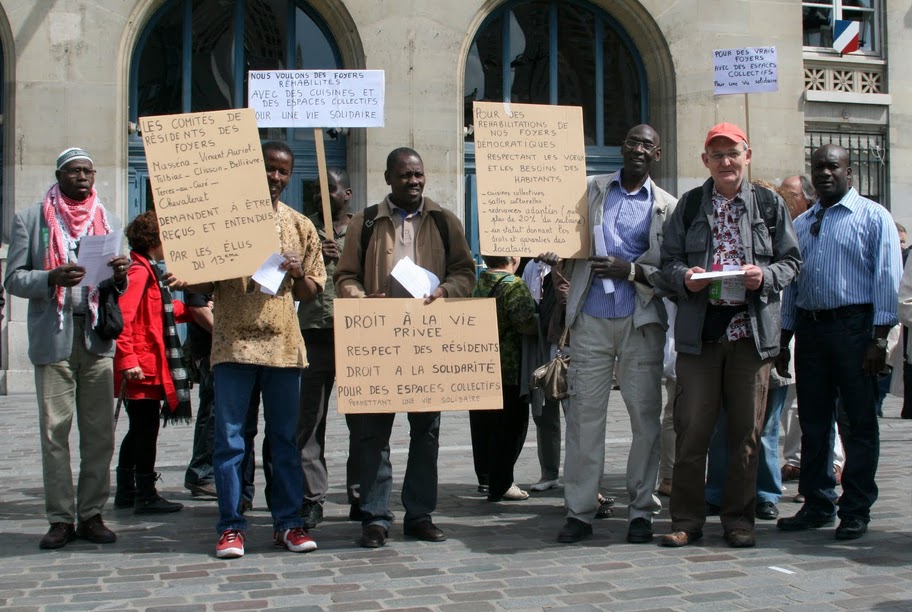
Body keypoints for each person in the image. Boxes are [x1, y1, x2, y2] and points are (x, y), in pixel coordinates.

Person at [167, 141, 326, 558]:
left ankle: (288, 523)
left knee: (284, 441)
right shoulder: (223, 222)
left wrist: (295, 272)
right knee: (231, 442)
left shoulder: (300, 225)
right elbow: (201, 285)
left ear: (290, 176)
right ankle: (231, 526)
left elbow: (312, 292)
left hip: (282, 347)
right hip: (233, 344)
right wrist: (189, 276)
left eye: (283, 171)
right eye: (269, 169)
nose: (275, 178)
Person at [659, 123, 800, 548]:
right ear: (705, 161)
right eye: (717, 155)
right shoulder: (688, 206)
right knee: (692, 432)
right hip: (700, 338)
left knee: (745, 435)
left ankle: (740, 520)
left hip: (750, 335)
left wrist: (766, 275)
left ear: (747, 155)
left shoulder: (769, 205)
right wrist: (687, 277)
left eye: (732, 153)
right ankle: (686, 519)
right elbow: (665, 265)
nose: (725, 162)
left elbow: (792, 261)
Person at [334, 147, 476, 548]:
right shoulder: (364, 222)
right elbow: (344, 278)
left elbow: (465, 273)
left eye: (418, 174)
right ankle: (375, 518)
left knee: (425, 432)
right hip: (379, 343)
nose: (413, 181)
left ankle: (419, 515)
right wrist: (363, 301)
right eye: (404, 176)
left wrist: (446, 290)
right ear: (388, 179)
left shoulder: (445, 221)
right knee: (372, 435)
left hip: (428, 343)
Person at [549, 124, 677, 545]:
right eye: (631, 141)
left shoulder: (667, 208)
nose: (638, 149)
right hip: (589, 319)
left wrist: (633, 270)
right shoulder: (587, 190)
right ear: (621, 147)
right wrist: (549, 247)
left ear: (657, 153)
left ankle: (640, 511)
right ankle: (580, 512)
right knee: (585, 419)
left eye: (646, 144)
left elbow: (672, 274)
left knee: (645, 419)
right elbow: (560, 232)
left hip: (640, 323)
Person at [4, 147, 130, 549]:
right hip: (54, 336)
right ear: (59, 174)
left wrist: (120, 275)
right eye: (75, 171)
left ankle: (91, 513)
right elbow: (15, 279)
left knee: (99, 435)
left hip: (94, 337)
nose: (83, 178)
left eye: (89, 172)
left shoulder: (107, 219)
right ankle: (60, 518)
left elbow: (115, 283)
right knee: (55, 432)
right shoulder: (31, 219)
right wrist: (51, 277)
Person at [776, 144, 901, 541]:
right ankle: (816, 502)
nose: (825, 173)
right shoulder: (805, 221)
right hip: (812, 332)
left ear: (850, 172)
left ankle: (856, 507)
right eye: (819, 167)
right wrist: (784, 337)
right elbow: (794, 285)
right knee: (813, 422)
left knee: (857, 424)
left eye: (833, 166)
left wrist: (878, 340)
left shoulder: (873, 217)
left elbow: (887, 280)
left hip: (855, 330)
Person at [113, 211, 192, 514]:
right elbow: (124, 317)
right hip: (142, 367)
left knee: (139, 429)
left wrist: (191, 309)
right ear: (155, 239)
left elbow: (160, 309)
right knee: (145, 430)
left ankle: (126, 490)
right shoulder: (140, 271)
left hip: (148, 364)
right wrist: (128, 359)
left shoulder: (148, 268)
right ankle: (144, 492)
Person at [297, 167, 364, 528]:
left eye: (331, 189)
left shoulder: (363, 228)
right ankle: (311, 498)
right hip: (314, 331)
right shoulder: (302, 227)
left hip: (355, 331)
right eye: (317, 189)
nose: (323, 196)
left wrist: (344, 257)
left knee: (362, 420)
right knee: (310, 421)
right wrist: (313, 260)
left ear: (347, 194)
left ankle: (360, 494)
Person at [470, 255, 538, 502]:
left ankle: (486, 478)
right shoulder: (514, 285)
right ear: (513, 258)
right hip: (509, 366)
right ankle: (502, 482)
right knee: (510, 427)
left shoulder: (478, 283)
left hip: (481, 365)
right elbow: (526, 323)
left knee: (483, 426)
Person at [521, 256, 567, 493]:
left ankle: (581, 475)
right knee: (544, 413)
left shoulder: (568, 264)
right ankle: (548, 471)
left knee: (575, 414)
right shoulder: (531, 267)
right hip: (541, 345)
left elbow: (568, 299)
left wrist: (559, 267)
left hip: (566, 345)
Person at [182, 289, 217, 498]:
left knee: (212, 408)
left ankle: (203, 472)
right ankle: (201, 473)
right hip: (211, 349)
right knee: (214, 411)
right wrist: (224, 336)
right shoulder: (201, 272)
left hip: (214, 347)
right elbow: (197, 306)